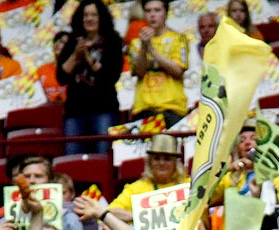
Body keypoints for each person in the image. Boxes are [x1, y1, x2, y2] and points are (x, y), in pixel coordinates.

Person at [60, 0, 124, 155]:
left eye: (94, 15)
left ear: (101, 18)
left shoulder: (113, 41)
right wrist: (76, 54)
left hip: (104, 110)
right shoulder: (72, 42)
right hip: (75, 112)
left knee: (103, 156)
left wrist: (88, 57)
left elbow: (110, 77)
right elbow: (61, 76)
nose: (89, 19)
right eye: (85, 15)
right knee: (73, 159)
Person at [130, 0, 189, 128]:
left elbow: (178, 71)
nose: (152, 15)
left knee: (170, 148)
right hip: (144, 109)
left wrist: (151, 50)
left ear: (166, 13)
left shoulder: (178, 39)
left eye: (157, 10)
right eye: (148, 11)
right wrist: (144, 47)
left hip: (172, 109)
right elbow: (139, 73)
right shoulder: (136, 43)